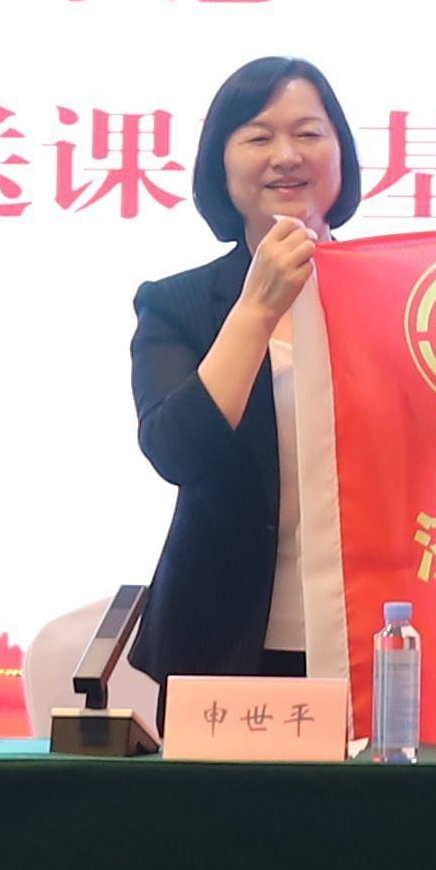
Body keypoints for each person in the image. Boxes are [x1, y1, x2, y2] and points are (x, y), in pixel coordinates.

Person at [128, 55, 349, 684]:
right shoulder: (177, 304)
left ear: (342, 155)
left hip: (381, 636)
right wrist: (257, 308)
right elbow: (177, 451)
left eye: (308, 133)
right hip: (223, 646)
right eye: (258, 137)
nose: (286, 155)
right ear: (220, 165)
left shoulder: (407, 296)